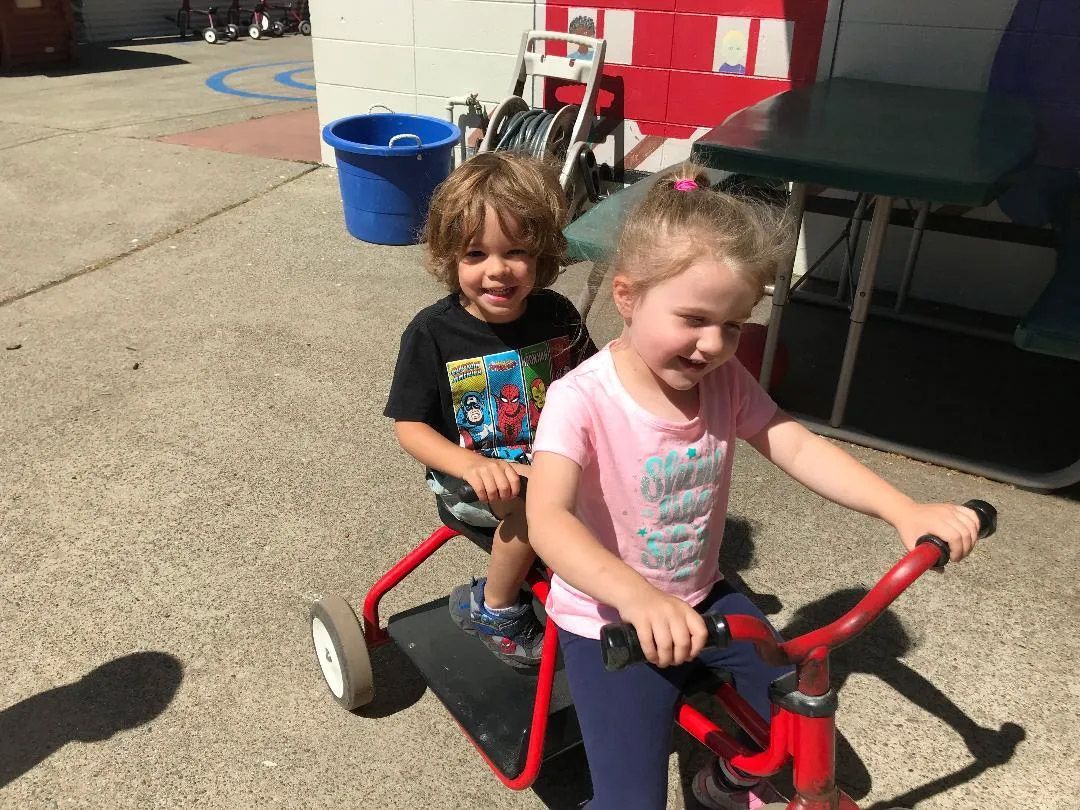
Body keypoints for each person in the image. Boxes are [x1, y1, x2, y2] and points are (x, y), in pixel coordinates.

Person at [526, 164, 982, 809]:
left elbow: (795, 443)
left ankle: (728, 780)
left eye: (735, 323)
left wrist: (902, 509)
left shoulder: (723, 381)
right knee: (631, 802)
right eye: (693, 318)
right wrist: (637, 597)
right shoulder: (581, 399)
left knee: (800, 730)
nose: (714, 345)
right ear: (626, 296)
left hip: (705, 595)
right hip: (612, 619)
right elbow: (548, 519)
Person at [385, 151, 596, 668]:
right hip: (474, 479)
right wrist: (471, 465)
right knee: (535, 507)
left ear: (543, 253)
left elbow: (592, 381)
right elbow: (410, 427)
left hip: (553, 460)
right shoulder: (434, 333)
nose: (497, 270)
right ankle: (495, 607)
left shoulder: (556, 313)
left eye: (516, 252)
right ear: (450, 257)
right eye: (475, 254)